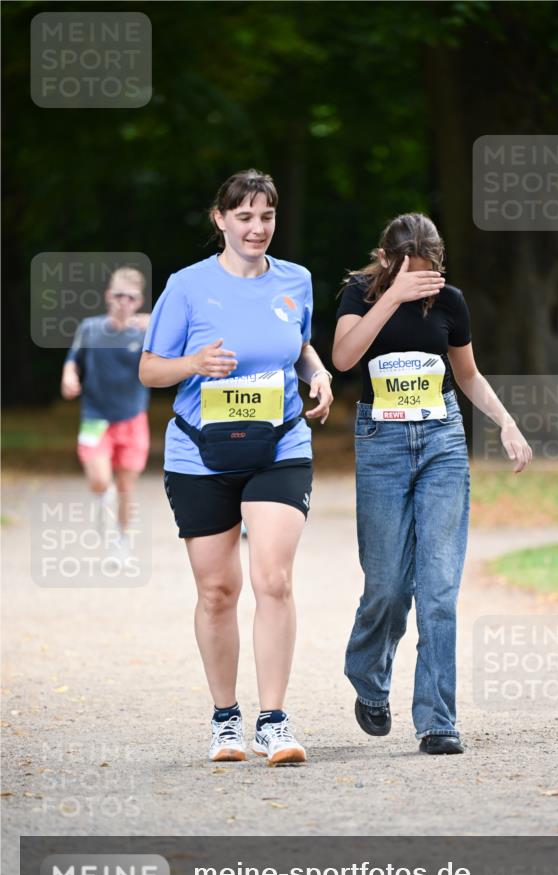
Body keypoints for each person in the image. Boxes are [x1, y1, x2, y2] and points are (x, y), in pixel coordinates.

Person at [139, 169, 333, 766]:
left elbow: (297, 346)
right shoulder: (188, 287)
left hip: (279, 445)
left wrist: (317, 371)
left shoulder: (295, 281)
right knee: (218, 590)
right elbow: (150, 369)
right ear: (220, 220)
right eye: (244, 216)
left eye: (266, 216)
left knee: (273, 579)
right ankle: (226, 722)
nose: (257, 228)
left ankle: (273, 721)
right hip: (200, 452)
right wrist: (193, 361)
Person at [332, 213, 532, 756]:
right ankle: (369, 677)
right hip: (382, 442)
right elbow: (345, 358)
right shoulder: (358, 293)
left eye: (430, 270)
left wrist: (506, 422)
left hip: (442, 440)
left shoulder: (450, 301)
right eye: (410, 269)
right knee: (387, 586)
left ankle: (437, 719)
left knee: (438, 589)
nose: (424, 280)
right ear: (386, 258)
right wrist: (393, 296)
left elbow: (466, 373)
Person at [61, 266, 151, 551]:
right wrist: (69, 376)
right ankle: (102, 497)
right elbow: (73, 359)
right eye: (118, 295)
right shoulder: (90, 328)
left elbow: (178, 348)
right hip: (95, 418)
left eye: (131, 298)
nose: (123, 302)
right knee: (100, 480)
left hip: (132, 418)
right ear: (108, 296)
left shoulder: (148, 332)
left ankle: (121, 540)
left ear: (139, 301)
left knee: (126, 486)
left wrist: (157, 325)